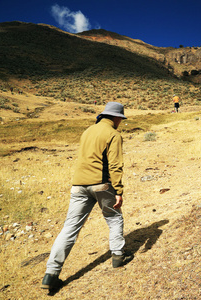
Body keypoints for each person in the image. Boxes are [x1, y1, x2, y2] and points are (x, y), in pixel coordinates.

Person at [41, 102, 133, 290]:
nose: (120, 122)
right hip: (101, 184)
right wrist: (118, 191)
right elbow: (115, 165)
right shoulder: (113, 134)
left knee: (69, 228)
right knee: (114, 217)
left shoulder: (88, 131)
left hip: (78, 185)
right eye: (120, 119)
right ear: (115, 118)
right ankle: (118, 256)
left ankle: (50, 274)